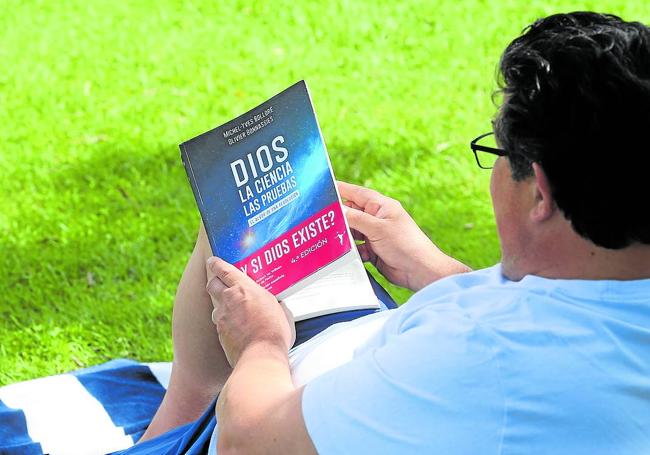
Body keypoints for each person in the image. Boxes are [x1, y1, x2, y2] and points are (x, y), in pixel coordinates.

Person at [123, 11, 650, 454]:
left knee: (228, 237)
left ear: (539, 194)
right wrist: (434, 270)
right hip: (369, 357)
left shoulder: (484, 361)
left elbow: (251, 440)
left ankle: (181, 414)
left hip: (271, 409)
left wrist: (259, 343)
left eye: (496, 154)